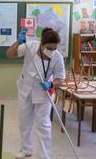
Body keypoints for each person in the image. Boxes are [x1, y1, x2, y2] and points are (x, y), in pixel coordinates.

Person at [6, 27, 65, 159]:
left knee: (43, 125)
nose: (52, 51)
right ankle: (26, 149)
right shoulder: (30, 47)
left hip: (43, 93)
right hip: (25, 90)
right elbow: (9, 54)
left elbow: (60, 79)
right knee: (24, 122)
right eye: (49, 48)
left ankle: (44, 155)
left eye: (54, 49)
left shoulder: (57, 57)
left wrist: (50, 84)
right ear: (42, 44)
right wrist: (17, 42)